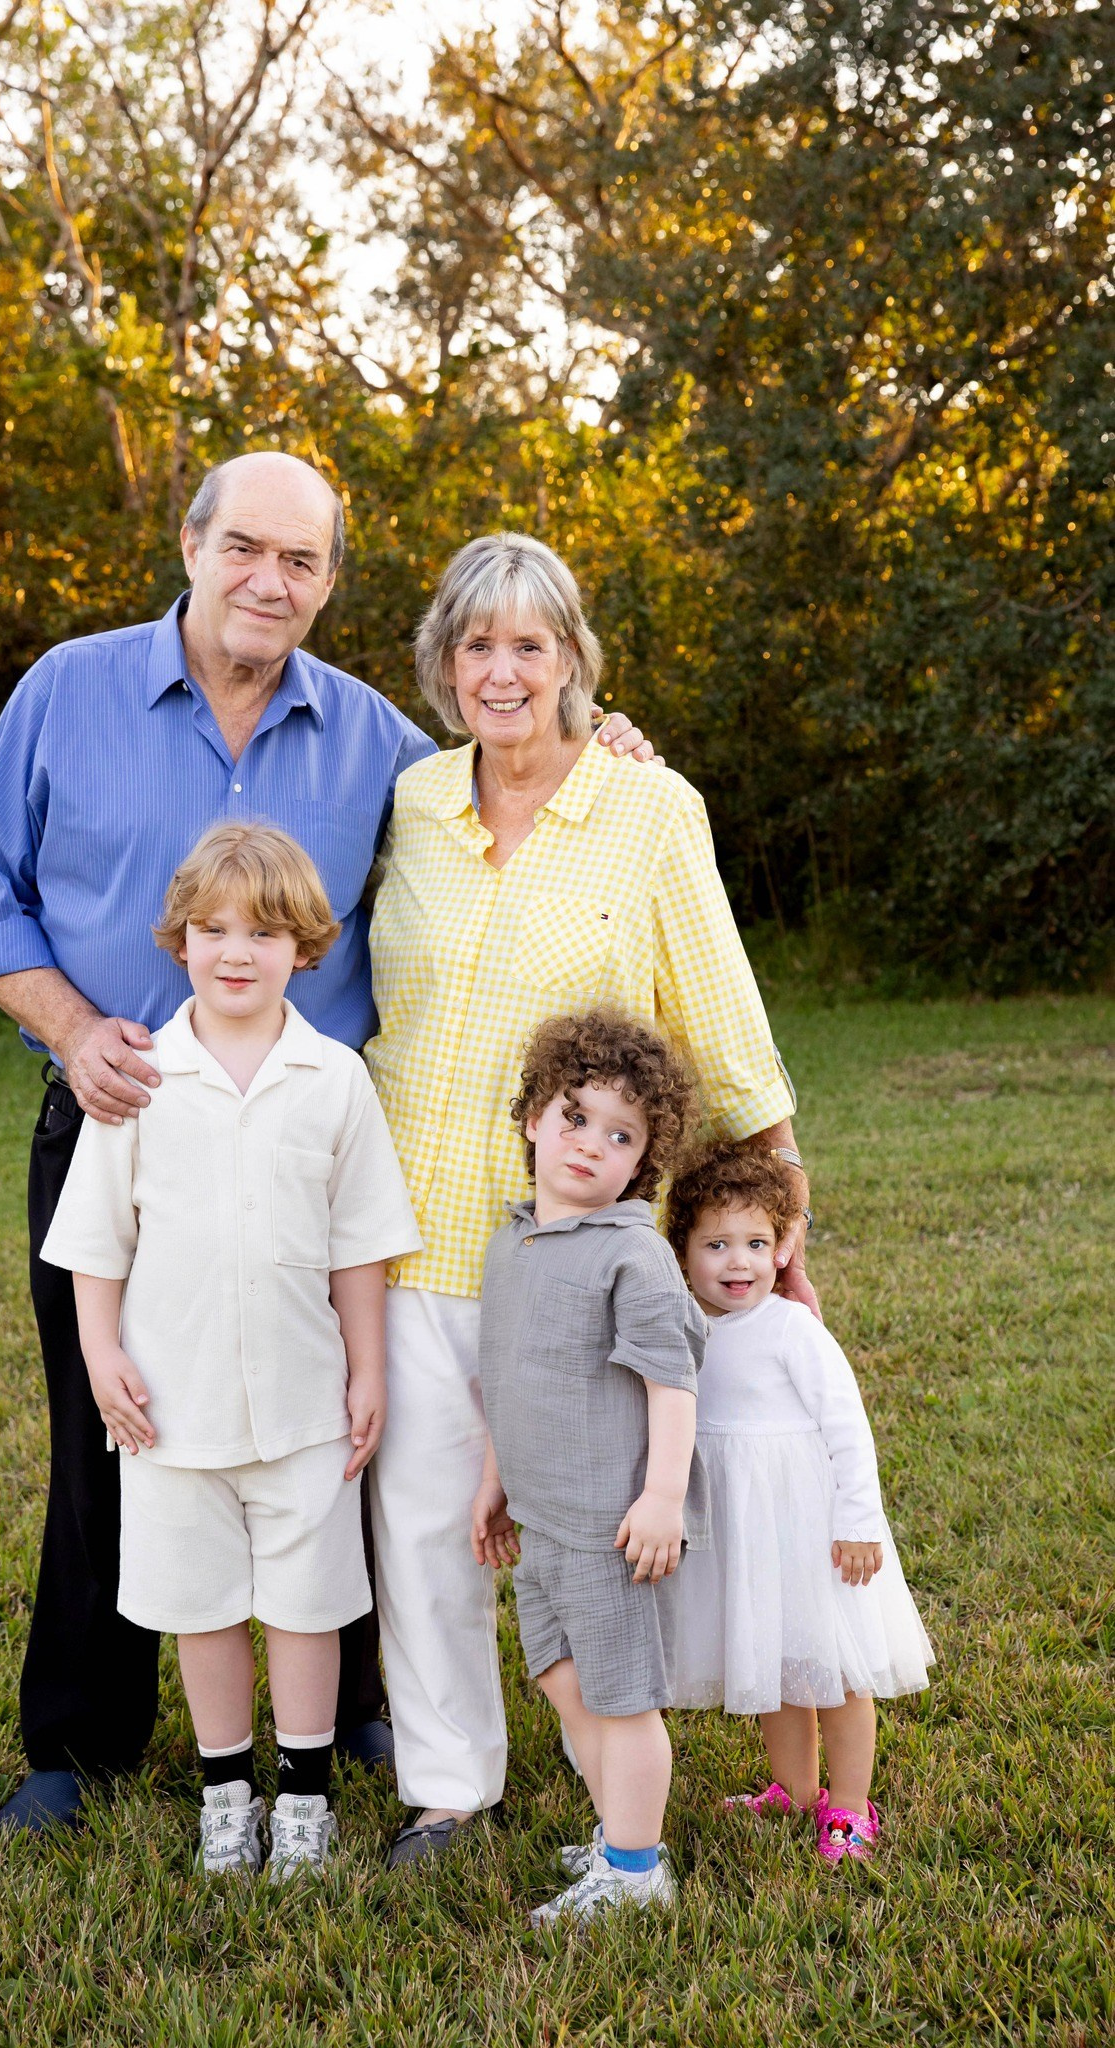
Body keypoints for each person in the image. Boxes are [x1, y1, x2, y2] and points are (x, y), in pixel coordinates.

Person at [0, 453, 650, 1833]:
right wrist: (78, 1031)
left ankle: (363, 1709)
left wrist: (603, 737)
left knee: (342, 1424)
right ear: (191, 546)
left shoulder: (378, 739)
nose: (271, 580)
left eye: (303, 561)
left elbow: (508, 776)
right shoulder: (65, 693)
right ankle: (79, 1736)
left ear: (329, 583)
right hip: (121, 1121)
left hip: (321, 1142)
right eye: (246, 548)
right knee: (112, 1418)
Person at [364, 529, 816, 1865]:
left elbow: (723, 1018)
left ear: (572, 660)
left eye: (529, 644)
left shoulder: (649, 808)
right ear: (445, 663)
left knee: (575, 1539)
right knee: (427, 1528)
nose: (500, 671)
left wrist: (781, 1194)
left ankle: (616, 1784)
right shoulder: (411, 806)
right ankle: (449, 1787)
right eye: (476, 643)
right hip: (408, 1229)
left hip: (568, 1257)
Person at [40, 822, 422, 1877]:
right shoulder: (140, 1075)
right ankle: (228, 1787)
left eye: (262, 930)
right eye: (212, 929)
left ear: (307, 945)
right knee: (201, 1604)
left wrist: (370, 1368)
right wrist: (102, 1351)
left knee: (306, 1605)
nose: (236, 951)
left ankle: (302, 1795)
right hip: (173, 1402)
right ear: (180, 942)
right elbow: (94, 1239)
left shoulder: (335, 1077)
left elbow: (360, 1244)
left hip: (305, 1402)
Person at [472, 1011, 709, 1926]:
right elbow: (507, 1374)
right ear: (532, 1115)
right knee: (560, 1679)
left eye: (621, 1135)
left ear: (640, 1164)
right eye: (574, 1116)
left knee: (620, 1699)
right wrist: (495, 1482)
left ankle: (636, 1869)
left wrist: (660, 1498)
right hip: (543, 1518)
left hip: (612, 1525)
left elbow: (672, 1384)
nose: (589, 1144)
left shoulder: (632, 1257)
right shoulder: (515, 1241)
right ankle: (619, 1822)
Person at [664, 1141, 935, 1864]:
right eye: (715, 1245)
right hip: (743, 1529)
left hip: (810, 1527)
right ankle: (794, 1788)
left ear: (781, 1247)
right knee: (775, 1663)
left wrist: (856, 1523)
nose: (737, 1263)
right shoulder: (688, 1330)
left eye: (755, 1243)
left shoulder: (789, 1329)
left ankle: (847, 1807)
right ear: (681, 1251)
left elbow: (847, 1429)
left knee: (835, 1668)